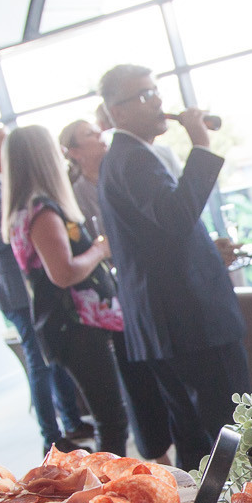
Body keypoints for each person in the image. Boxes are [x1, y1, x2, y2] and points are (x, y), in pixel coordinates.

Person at [96, 64, 249, 469]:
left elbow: (158, 237)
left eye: (156, 91)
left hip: (168, 325)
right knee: (234, 432)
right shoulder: (132, 159)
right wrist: (201, 146)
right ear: (117, 111)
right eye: (145, 95)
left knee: (195, 437)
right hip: (189, 323)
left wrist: (206, 249)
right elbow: (177, 214)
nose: (158, 101)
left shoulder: (123, 158)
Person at [1, 125, 139, 458]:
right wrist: (99, 250)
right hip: (74, 327)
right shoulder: (43, 211)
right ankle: (106, 488)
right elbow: (63, 274)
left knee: (109, 416)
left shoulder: (25, 209)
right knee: (111, 420)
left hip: (69, 326)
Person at [60, 116, 176, 462]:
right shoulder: (74, 195)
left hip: (145, 281)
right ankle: (157, 455)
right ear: (74, 151)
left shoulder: (120, 170)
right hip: (113, 294)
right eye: (89, 134)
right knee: (137, 379)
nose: (100, 135)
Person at [0, 126, 85, 452]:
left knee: (54, 355)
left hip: (39, 287)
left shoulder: (18, 186)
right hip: (15, 292)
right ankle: (51, 436)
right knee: (38, 362)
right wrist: (15, 230)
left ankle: (72, 421)